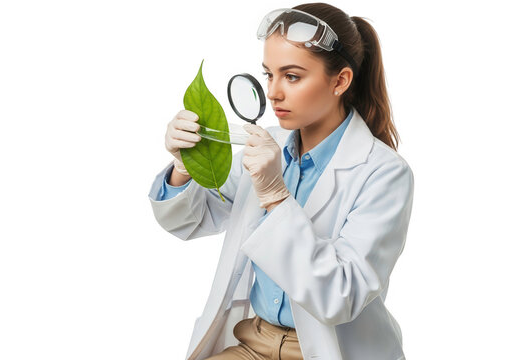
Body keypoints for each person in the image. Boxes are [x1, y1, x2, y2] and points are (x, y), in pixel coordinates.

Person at [148, 3, 414, 360]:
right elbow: (188, 220)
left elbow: (339, 296)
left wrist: (276, 198)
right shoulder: (267, 147)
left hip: (328, 350)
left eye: (292, 76)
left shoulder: (384, 173)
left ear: (340, 81)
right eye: (268, 74)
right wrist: (183, 166)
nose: (273, 93)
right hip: (255, 341)